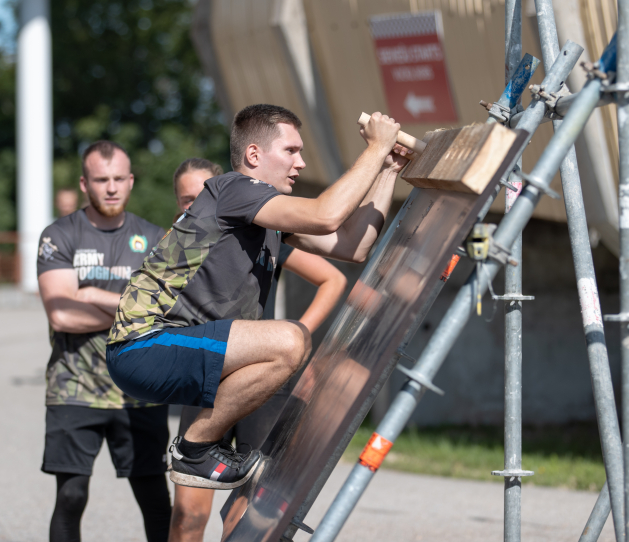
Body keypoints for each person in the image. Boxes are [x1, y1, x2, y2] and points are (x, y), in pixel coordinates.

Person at [104, 104, 409, 490]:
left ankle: (202, 448)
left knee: (290, 343)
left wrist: (387, 170)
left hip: (185, 346)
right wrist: (375, 148)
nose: (300, 163)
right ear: (253, 154)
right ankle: (194, 451)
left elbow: (352, 245)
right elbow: (326, 215)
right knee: (290, 340)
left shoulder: (266, 216)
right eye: (291, 151)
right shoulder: (234, 188)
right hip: (143, 345)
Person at [167, 157, 348, 541]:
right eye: (186, 199)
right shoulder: (176, 244)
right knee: (187, 514)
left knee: (249, 513)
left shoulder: (264, 231)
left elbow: (332, 279)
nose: (195, 204)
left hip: (263, 383)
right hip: (207, 379)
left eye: (202, 194)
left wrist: (298, 336)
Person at [37, 140, 173, 542]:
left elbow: (167, 312)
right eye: (101, 180)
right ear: (85, 184)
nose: (111, 188)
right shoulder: (59, 235)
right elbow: (61, 315)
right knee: (71, 496)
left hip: (141, 390)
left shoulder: (155, 238)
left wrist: (92, 294)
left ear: (130, 181)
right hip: (74, 386)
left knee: (154, 498)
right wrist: (132, 312)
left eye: (118, 179)